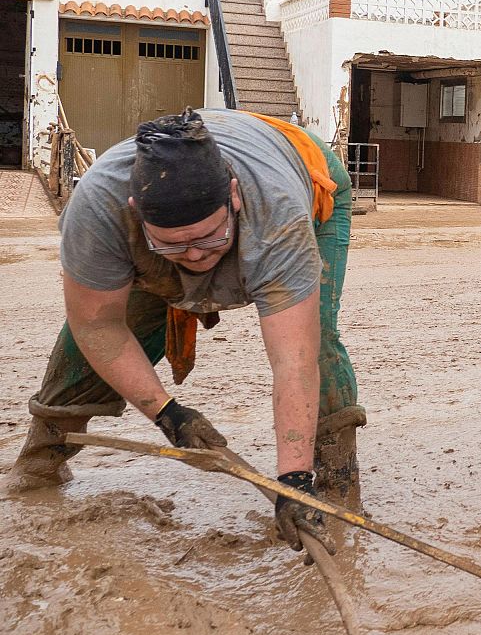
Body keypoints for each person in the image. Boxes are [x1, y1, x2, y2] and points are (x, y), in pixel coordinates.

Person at [1, 108, 364, 555]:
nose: (194, 256)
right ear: (136, 213)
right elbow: (98, 326)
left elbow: (294, 359)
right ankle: (43, 457)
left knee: (317, 336)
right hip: (177, 217)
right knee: (106, 326)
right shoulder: (98, 209)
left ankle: (332, 481)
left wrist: (292, 480)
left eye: (209, 239)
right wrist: (167, 414)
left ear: (233, 197)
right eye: (174, 244)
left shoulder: (277, 216)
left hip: (304, 173)